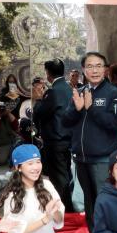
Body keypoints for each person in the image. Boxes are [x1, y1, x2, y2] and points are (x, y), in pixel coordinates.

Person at [63, 51, 117, 233]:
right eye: (90, 66)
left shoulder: (113, 93)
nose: (95, 70)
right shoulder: (80, 92)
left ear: (105, 69)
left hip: (103, 159)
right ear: (84, 70)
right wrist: (76, 109)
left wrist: (91, 109)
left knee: (104, 200)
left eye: (99, 66)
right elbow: (65, 121)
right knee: (89, 201)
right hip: (81, 158)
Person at [33, 59, 74, 210]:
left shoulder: (53, 91)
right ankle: (67, 206)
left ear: (48, 74)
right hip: (68, 138)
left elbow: (40, 113)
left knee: (59, 177)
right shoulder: (69, 88)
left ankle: (65, 208)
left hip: (55, 140)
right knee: (66, 174)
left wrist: (38, 99)